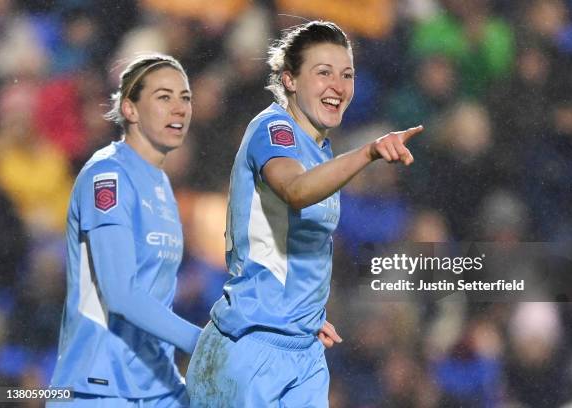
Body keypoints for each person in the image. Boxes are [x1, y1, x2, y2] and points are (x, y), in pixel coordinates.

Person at [186, 21, 423, 407]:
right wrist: (369, 152)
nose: (338, 86)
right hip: (250, 345)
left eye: (346, 74)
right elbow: (295, 191)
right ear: (290, 80)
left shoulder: (321, 150)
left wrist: (304, 314)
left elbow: (296, 247)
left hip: (301, 349)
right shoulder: (273, 128)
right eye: (323, 73)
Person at [49, 53, 201, 407]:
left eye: (185, 97)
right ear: (130, 110)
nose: (179, 108)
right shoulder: (109, 176)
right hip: (99, 387)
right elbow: (121, 294)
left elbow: (156, 296)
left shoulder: (162, 185)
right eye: (164, 97)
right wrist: (204, 343)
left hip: (154, 387)